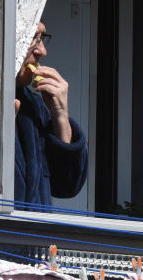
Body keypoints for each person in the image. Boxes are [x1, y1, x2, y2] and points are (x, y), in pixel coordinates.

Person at [12, 21, 88, 205]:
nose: (42, 51)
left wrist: (60, 114)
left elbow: (67, 185)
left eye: (41, 38)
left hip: (35, 232)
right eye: (32, 37)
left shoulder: (33, 106)